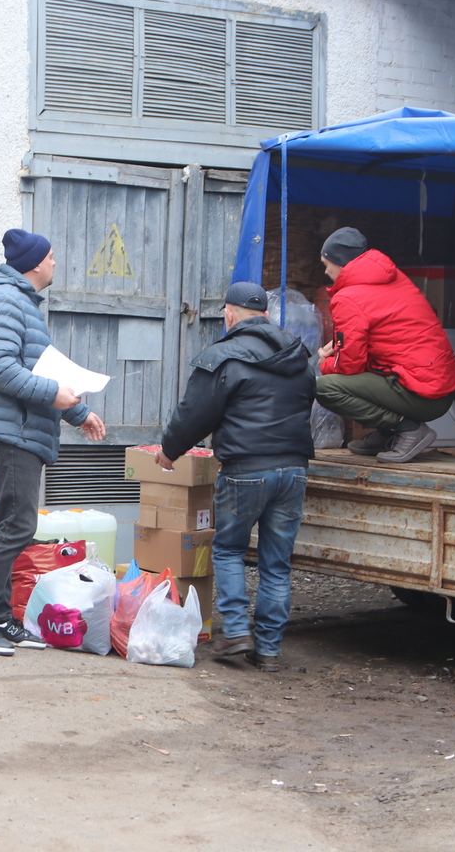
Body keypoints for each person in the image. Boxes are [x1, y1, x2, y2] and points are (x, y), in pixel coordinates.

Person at [0, 229, 106, 656]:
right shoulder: (4, 300)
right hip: (12, 432)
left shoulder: (21, 303)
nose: (56, 263)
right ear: (35, 263)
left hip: (23, 428)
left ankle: (2, 618)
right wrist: (55, 395)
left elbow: (40, 372)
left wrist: (78, 413)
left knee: (11, 525)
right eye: (52, 256)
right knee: (15, 525)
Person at [156, 282, 315, 672]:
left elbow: (194, 412)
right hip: (294, 470)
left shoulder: (224, 356)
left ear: (229, 315)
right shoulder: (297, 355)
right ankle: (269, 651)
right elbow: (308, 398)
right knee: (276, 564)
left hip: (247, 469)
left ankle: (237, 632)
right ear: (265, 315)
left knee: (228, 550)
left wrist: (169, 450)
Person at [313, 227, 455, 464]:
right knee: (373, 366)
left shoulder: (349, 297)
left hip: (423, 393)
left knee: (325, 387)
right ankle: (388, 433)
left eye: (326, 263)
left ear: (339, 262)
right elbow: (377, 340)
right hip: (439, 387)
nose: (326, 270)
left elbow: (350, 364)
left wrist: (326, 362)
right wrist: (341, 348)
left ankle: (408, 428)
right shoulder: (394, 279)